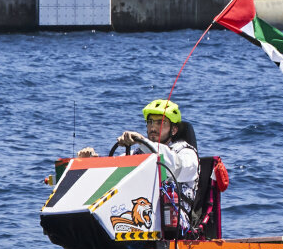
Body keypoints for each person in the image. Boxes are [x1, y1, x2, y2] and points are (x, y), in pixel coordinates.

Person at [77, 98, 201, 236]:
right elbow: (116, 169)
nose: (153, 127)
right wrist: (92, 162)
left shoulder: (186, 153)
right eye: (150, 122)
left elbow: (173, 167)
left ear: (174, 130)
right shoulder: (139, 152)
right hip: (139, 221)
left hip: (174, 226)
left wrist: (141, 141)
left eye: (161, 122)